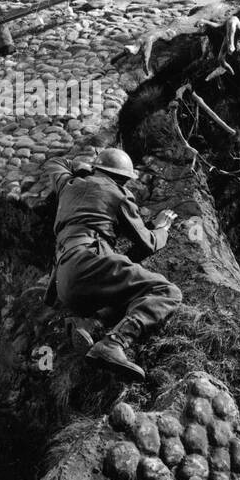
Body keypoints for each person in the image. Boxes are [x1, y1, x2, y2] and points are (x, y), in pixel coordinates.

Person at [41, 147, 181, 382]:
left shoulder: (68, 185)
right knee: (167, 291)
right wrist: (162, 228)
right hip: (89, 264)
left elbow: (55, 162)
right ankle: (114, 343)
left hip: (64, 280)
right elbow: (148, 243)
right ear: (123, 179)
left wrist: (86, 168)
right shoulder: (119, 195)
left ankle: (88, 324)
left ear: (97, 168)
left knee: (125, 293)